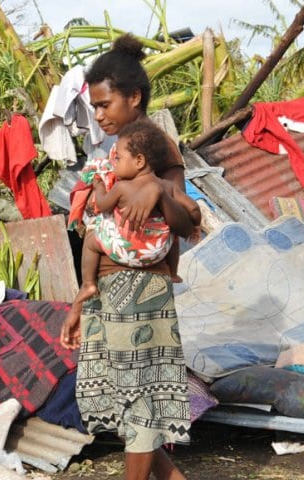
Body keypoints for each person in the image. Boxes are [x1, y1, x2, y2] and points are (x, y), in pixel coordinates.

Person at [61, 33, 194, 480]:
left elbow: (183, 225)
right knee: (122, 396)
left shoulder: (157, 147)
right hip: (109, 288)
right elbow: (99, 225)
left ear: (134, 98)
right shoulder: (112, 151)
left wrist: (159, 188)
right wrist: (84, 295)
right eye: (94, 107)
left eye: (104, 105)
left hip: (143, 289)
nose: (98, 115)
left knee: (139, 397)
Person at [78, 118, 201, 303]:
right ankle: (174, 274)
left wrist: (99, 188)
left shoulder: (122, 188)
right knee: (172, 234)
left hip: (125, 253)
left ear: (139, 161)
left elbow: (102, 206)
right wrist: (196, 223)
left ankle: (88, 284)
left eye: (118, 158)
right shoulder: (168, 186)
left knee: (92, 234)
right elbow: (193, 207)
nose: (114, 162)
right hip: (156, 253)